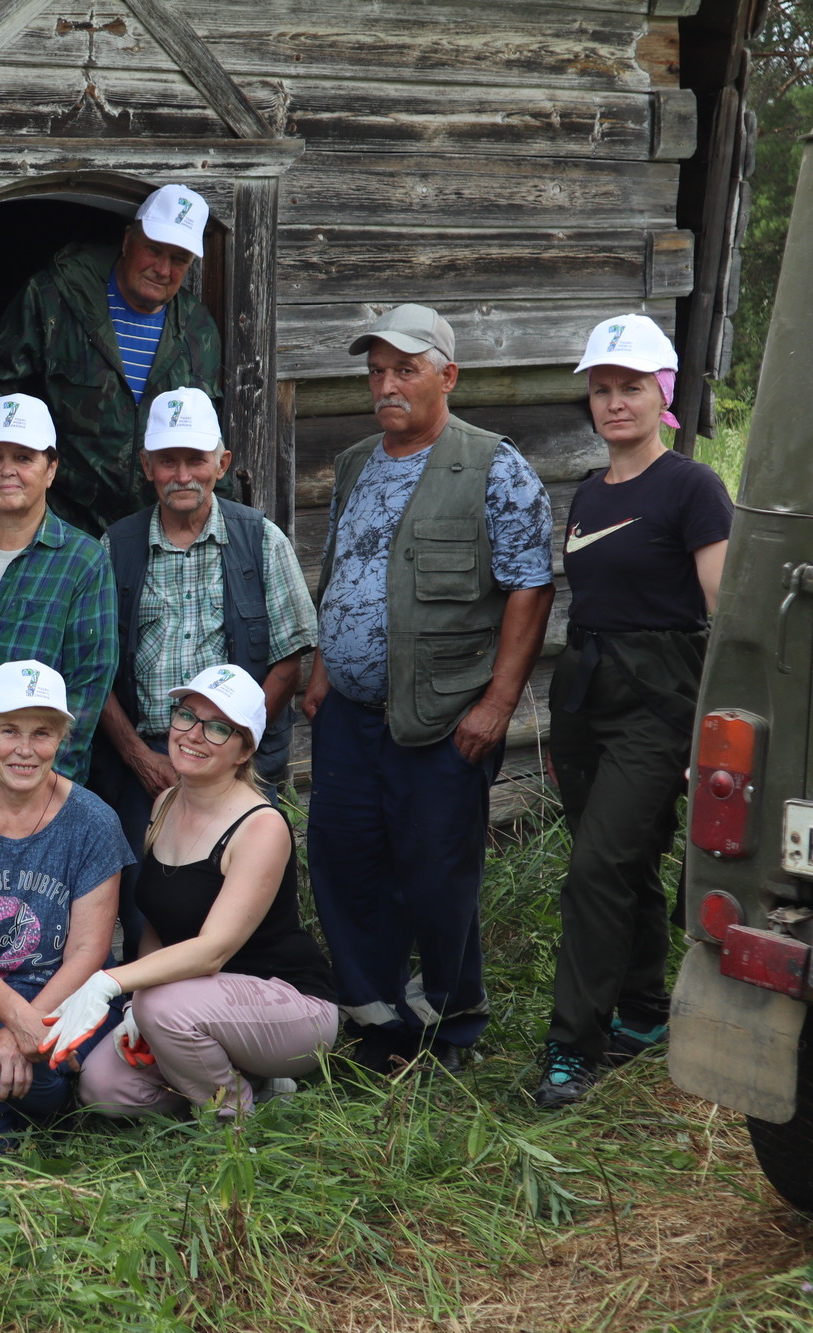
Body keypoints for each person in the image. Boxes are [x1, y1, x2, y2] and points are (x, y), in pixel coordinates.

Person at [301, 304, 555, 1073]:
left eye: (404, 369)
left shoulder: (492, 463)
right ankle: (378, 1024)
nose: (386, 385)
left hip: (442, 716)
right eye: (376, 371)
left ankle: (449, 1027)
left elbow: (530, 587)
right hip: (348, 715)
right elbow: (342, 568)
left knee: (435, 875)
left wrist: (497, 704)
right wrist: (321, 671)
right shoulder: (354, 463)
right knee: (344, 861)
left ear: (447, 375)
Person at [534, 315, 731, 1108]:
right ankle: (646, 1009)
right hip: (587, 690)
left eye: (632, 388)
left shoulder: (693, 487)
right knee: (623, 857)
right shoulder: (586, 491)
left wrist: (709, 727)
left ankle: (572, 1046)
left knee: (594, 869)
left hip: (658, 698)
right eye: (603, 389)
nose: (615, 403)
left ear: (664, 393)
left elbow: (724, 614)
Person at [54, 665, 338, 1119]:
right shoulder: (166, 802)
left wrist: (112, 983)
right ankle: (248, 1082)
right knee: (102, 1086)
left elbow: (211, 952)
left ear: (245, 750)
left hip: (289, 1007)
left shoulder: (260, 826)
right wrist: (133, 1007)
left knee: (163, 1005)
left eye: (219, 728)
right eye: (187, 716)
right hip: (193, 1005)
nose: (194, 734)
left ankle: (232, 1123)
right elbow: (160, 922)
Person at [95, 389, 317, 951]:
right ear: (147, 466)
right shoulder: (115, 547)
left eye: (196, 459)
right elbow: (95, 670)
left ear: (222, 462)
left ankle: (226, 1018)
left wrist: (229, 746)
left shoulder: (260, 539)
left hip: (237, 760)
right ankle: (141, 1024)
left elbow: (290, 660)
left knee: (232, 903)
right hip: (145, 761)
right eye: (167, 460)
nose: (182, 474)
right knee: (145, 902)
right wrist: (139, 758)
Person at [0, 183, 223, 536]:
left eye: (178, 260)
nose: (162, 268)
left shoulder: (197, 328)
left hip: (156, 532)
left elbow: (209, 437)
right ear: (127, 240)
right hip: (63, 526)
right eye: (153, 250)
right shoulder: (55, 297)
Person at [0, 661, 128, 1147]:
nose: (26, 749)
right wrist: (19, 1022)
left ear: (62, 739)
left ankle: (52, 1085)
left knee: (46, 1088)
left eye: (43, 733)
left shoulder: (94, 822)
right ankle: (37, 1086)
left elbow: (88, 951)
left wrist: (25, 1032)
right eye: (9, 729)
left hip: (67, 1005)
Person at [0, 393, 118, 791]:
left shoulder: (82, 563)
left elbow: (86, 692)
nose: (6, 470)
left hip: (28, 796)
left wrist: (38, 799)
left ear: (51, 469)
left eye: (24, 457)